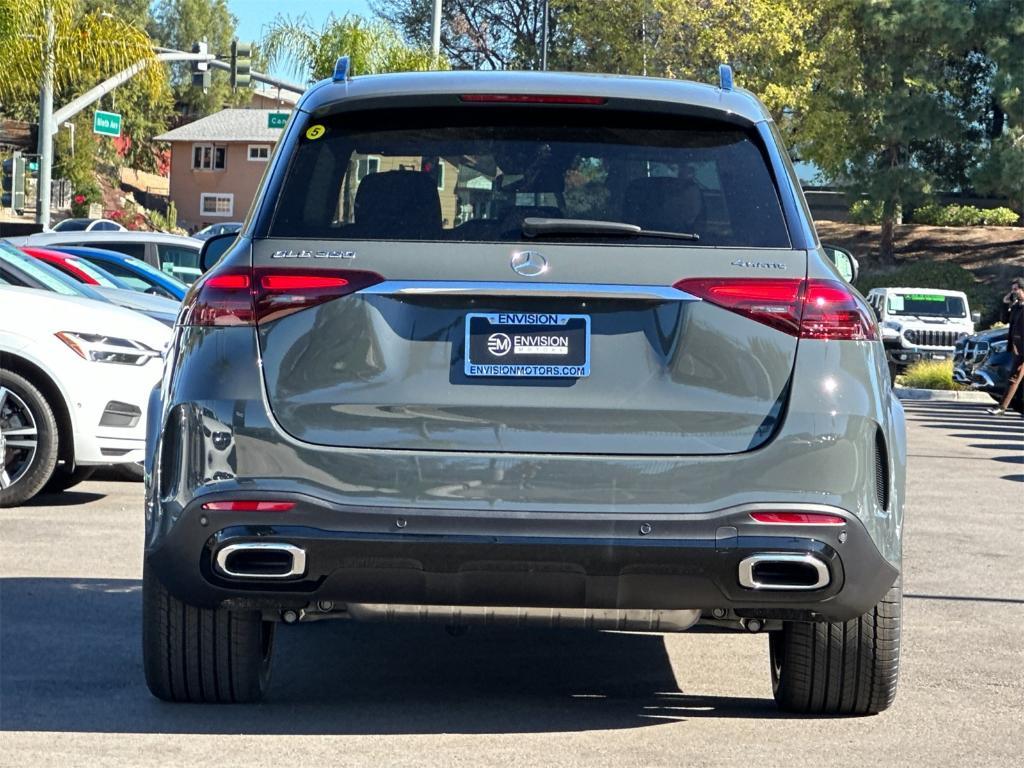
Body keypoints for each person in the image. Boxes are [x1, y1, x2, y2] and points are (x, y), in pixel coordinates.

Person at [988, 277, 1024, 415]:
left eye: (1016, 290)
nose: (1013, 292)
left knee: (1014, 377)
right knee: (1016, 378)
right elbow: (1004, 320)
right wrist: (1004, 304)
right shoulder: (1016, 307)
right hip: (1018, 348)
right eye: (1012, 290)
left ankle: (1002, 407)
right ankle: (1006, 407)